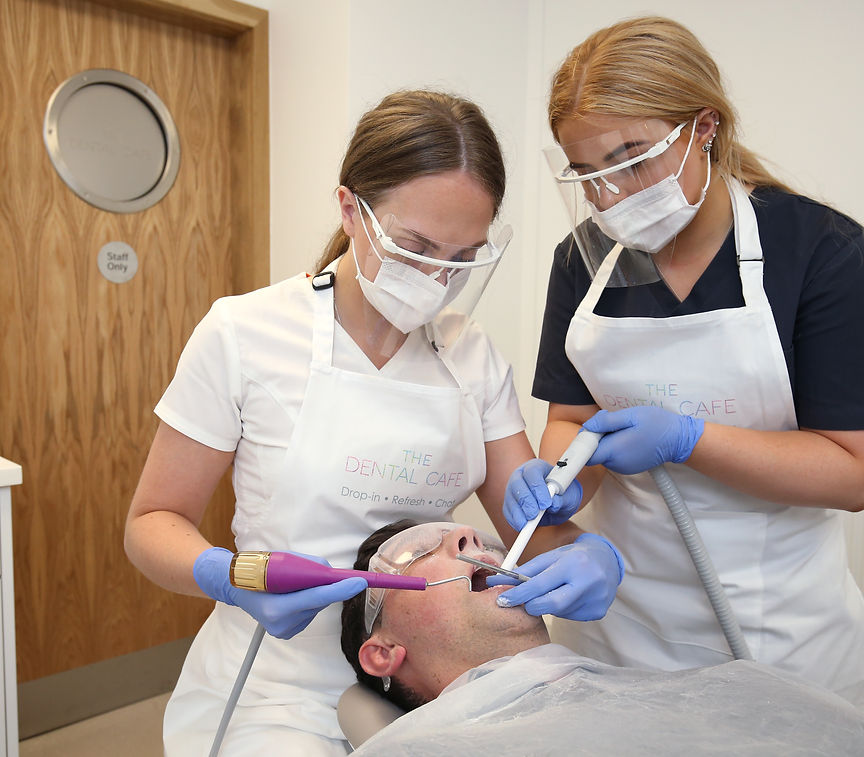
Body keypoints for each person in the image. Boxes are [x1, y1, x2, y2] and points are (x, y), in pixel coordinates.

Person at [123, 89, 548, 756]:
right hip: (273, 682)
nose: (437, 277)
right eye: (415, 246)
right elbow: (150, 523)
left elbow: (532, 534)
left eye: (462, 258)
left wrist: (579, 557)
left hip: (425, 681)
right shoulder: (246, 333)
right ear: (351, 209)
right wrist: (230, 577)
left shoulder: (471, 355)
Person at [501, 16, 864, 709]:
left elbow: (855, 472)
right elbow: (570, 417)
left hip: (781, 638)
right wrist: (564, 476)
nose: (612, 196)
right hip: (624, 629)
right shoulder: (581, 261)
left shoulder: (821, 252)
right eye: (589, 174)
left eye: (632, 158)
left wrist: (689, 439)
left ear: (704, 126)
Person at [339, 521, 864, 757]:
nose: (471, 539)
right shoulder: (424, 749)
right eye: (418, 552)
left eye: (468, 535)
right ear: (383, 651)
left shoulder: (714, 687)